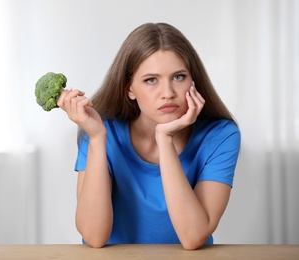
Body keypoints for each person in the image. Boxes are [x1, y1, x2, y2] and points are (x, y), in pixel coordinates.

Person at [57, 22, 241, 250]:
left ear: (194, 80)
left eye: (179, 77)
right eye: (151, 80)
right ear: (129, 89)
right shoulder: (101, 130)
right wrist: (96, 139)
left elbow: (193, 236)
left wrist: (164, 138)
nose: (168, 94)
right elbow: (94, 237)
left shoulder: (220, 135)